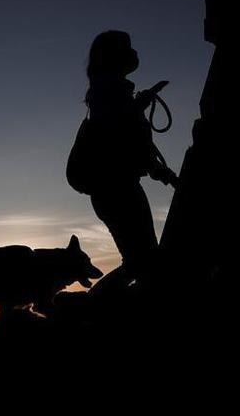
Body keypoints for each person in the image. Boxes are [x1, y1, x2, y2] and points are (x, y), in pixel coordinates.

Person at [80, 30, 177, 296]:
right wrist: (137, 108)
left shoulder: (108, 92)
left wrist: (138, 106)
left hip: (115, 189)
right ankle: (91, 307)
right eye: (127, 48)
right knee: (142, 263)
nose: (134, 53)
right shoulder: (110, 93)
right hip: (117, 190)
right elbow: (120, 139)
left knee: (141, 263)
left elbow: (124, 140)